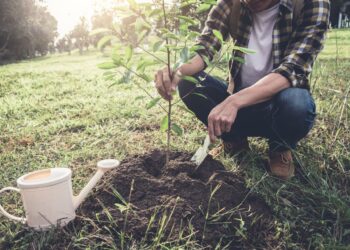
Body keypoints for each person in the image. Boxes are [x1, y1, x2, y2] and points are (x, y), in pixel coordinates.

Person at [154, 0, 330, 179]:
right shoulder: (231, 4)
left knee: (297, 103)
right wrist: (177, 71)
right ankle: (234, 141)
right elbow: (204, 48)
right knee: (189, 82)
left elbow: (293, 69)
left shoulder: (311, 4)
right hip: (238, 109)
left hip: (280, 107)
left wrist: (234, 101)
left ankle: (280, 149)